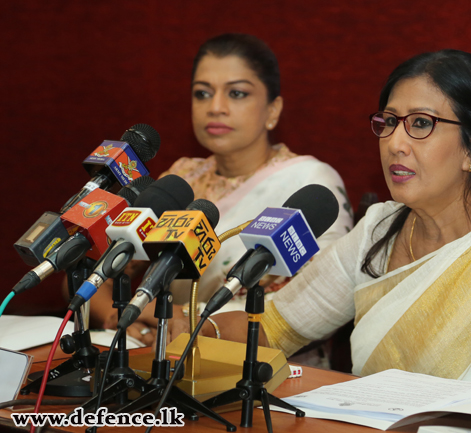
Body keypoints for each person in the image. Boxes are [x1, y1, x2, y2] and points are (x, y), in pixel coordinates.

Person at [181, 50, 471, 432]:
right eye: (388, 122)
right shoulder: (378, 231)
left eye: (421, 124)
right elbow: (280, 325)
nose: (395, 143)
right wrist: (192, 333)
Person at [88, 33, 353, 345]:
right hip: (161, 353)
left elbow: (315, 305)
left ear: (273, 110)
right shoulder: (181, 179)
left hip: (266, 365)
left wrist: (191, 323)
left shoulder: (310, 183)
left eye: (237, 93)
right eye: (202, 94)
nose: (215, 107)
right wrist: (116, 314)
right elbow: (95, 272)